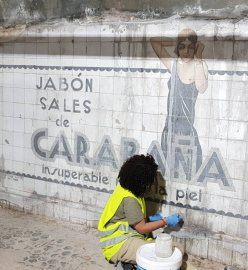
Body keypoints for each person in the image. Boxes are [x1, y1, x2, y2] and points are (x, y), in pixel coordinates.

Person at [98, 154, 183, 266]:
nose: (152, 184)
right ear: (141, 181)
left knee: (177, 250)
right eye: (150, 181)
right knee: (174, 251)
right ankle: (126, 265)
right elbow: (142, 228)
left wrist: (149, 218)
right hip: (117, 245)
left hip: (125, 237)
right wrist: (165, 221)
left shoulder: (127, 186)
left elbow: (128, 216)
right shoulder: (130, 199)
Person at [150, 29, 209, 177]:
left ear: (195, 48)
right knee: (166, 172)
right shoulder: (174, 65)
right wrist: (175, 42)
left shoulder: (199, 65)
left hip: (187, 132)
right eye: (182, 47)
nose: (186, 51)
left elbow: (202, 88)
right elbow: (154, 42)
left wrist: (199, 56)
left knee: (188, 174)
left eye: (190, 47)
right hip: (169, 130)